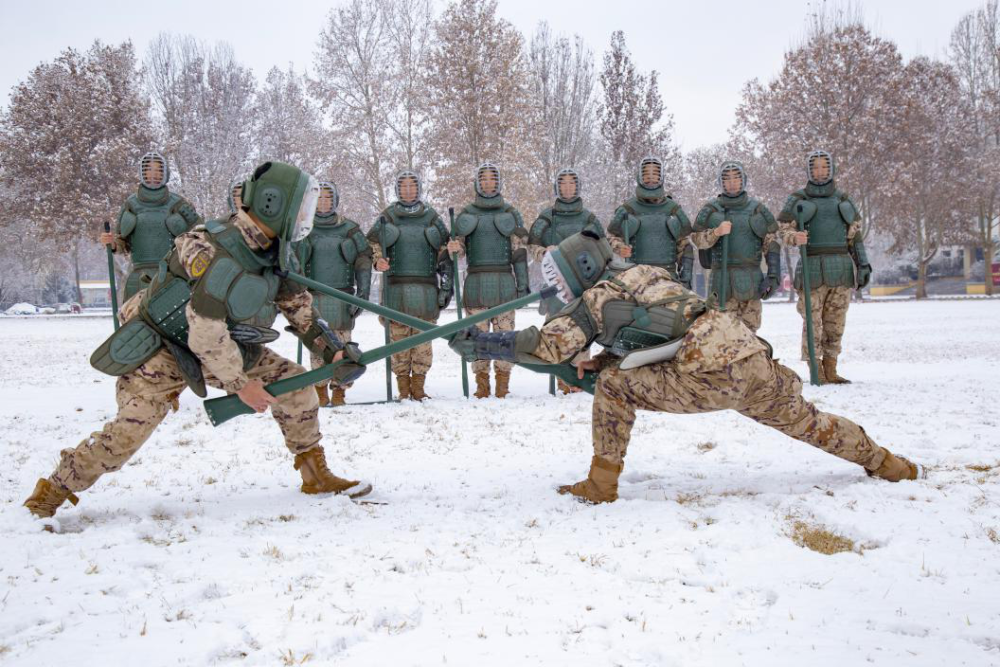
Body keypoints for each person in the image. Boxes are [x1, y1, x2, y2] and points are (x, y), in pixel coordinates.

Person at [449, 230, 920, 504]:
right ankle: (887, 463)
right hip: (750, 357)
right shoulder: (649, 273)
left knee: (612, 386)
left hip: (708, 375)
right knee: (809, 422)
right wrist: (604, 357)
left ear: (581, 268)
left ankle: (601, 484)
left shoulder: (598, 296)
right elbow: (659, 325)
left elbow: (548, 348)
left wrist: (484, 343)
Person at [24, 161, 372, 520]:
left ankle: (314, 474)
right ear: (274, 203)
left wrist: (332, 352)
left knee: (296, 386)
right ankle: (50, 493)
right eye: (299, 207)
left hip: (226, 345)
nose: (304, 216)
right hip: (163, 348)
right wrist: (241, 386)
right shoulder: (210, 249)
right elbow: (206, 333)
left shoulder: (275, 251)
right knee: (126, 435)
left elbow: (300, 312)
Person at [777, 150, 872, 384]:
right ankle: (815, 367)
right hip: (811, 267)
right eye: (815, 167)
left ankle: (831, 367)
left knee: (835, 322)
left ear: (831, 169)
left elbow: (854, 237)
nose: (820, 171)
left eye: (824, 167)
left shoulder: (843, 199)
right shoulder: (797, 199)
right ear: (809, 171)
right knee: (813, 323)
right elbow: (782, 230)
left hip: (840, 269)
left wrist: (862, 264)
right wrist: (794, 237)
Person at [445, 163, 529, 398]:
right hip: (476, 284)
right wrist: (454, 248)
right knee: (477, 336)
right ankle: (482, 385)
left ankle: (503, 384)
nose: (488, 183)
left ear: (498, 182)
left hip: (504, 284)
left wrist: (523, 285)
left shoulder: (510, 213)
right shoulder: (467, 215)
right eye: (484, 179)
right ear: (478, 183)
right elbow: (459, 248)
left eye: (492, 179)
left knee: (505, 336)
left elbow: (519, 252)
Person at [367, 171, 453, 401]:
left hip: (426, 289)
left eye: (411, 186)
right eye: (403, 186)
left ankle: (419, 388)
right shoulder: (388, 216)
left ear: (418, 188)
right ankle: (403, 389)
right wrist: (378, 259)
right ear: (398, 189)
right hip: (395, 288)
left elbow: (446, 252)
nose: (408, 190)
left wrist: (447, 285)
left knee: (423, 342)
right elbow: (371, 243)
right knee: (399, 342)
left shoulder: (432, 217)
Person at [527, 168, 603, 393]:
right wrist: (544, 252)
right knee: (557, 333)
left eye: (571, 183)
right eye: (563, 184)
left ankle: (580, 378)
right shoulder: (546, 218)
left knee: (583, 331)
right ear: (557, 187)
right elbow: (532, 245)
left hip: (582, 284)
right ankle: (561, 379)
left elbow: (602, 247)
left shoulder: (588, 218)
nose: (567, 188)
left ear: (577, 187)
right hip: (555, 284)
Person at [297, 181, 372, 406]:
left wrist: (363, 293)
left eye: (328, 198)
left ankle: (340, 389)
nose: (323, 203)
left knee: (344, 346)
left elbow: (364, 258)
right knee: (317, 345)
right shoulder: (302, 229)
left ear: (335, 200)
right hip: (313, 295)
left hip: (343, 297)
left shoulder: (350, 229)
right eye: (319, 198)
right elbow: (291, 259)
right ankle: (320, 390)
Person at [690, 161, 780, 332]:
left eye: (736, 178)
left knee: (750, 335)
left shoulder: (757, 210)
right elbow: (696, 239)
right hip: (721, 281)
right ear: (721, 182)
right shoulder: (710, 210)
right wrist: (716, 232)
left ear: (743, 180)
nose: (732, 183)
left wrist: (774, 275)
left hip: (752, 280)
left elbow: (772, 243)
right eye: (727, 179)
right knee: (721, 334)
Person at [100, 152, 202, 302]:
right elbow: (121, 242)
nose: (153, 173)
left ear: (165, 173)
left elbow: (200, 235)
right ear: (143, 172)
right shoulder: (130, 205)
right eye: (149, 169)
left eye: (158, 169)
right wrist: (111, 243)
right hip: (139, 277)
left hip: (172, 276)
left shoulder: (179, 204)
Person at [607, 156, 695, 289]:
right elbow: (611, 236)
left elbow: (685, 246)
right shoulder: (628, 208)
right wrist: (620, 248)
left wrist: (685, 278)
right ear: (640, 176)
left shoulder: (673, 209)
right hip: (636, 276)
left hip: (667, 276)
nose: (651, 177)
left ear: (661, 177)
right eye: (647, 174)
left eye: (655, 174)